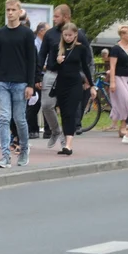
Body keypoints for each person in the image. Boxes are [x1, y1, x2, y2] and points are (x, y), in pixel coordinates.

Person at [0, 0, 36, 168]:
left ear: (19, 11)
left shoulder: (27, 34)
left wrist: (31, 84)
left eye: (13, 10)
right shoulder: (0, 33)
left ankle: (24, 149)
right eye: (7, 10)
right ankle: (5, 156)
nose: (10, 13)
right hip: (2, 81)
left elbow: (32, 60)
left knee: (19, 119)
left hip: (21, 82)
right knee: (4, 118)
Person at [50, 23, 94, 155]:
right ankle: (65, 145)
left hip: (75, 84)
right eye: (65, 35)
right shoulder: (56, 48)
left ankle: (69, 145)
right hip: (61, 84)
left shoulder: (81, 49)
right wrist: (57, 61)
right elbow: (51, 67)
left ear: (75, 35)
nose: (68, 38)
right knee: (64, 113)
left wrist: (91, 85)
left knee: (71, 111)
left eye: (70, 35)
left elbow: (85, 68)